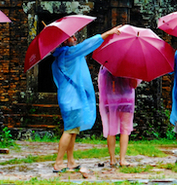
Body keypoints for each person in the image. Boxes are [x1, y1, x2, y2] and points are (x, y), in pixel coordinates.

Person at [51, 24, 123, 173]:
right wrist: (108, 33)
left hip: (72, 98)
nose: (75, 38)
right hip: (72, 99)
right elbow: (87, 45)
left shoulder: (61, 55)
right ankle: (58, 162)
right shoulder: (69, 53)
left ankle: (70, 161)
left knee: (73, 130)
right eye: (72, 36)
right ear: (64, 41)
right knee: (69, 130)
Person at [98, 66, 140, 167]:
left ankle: (112, 159)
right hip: (126, 100)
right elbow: (133, 85)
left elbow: (102, 86)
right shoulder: (130, 66)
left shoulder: (106, 66)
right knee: (125, 130)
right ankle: (122, 159)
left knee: (111, 130)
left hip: (110, 100)